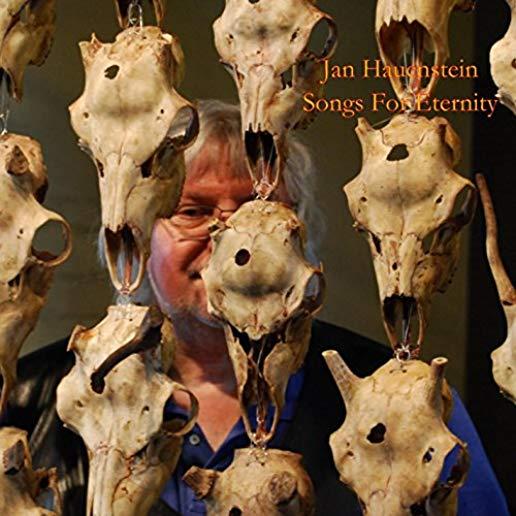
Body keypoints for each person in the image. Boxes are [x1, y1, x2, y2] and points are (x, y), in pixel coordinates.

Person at [7, 100, 509, 516]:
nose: (232, 240)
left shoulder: (409, 403)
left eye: (258, 212)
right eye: (192, 211)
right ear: (134, 236)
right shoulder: (27, 403)